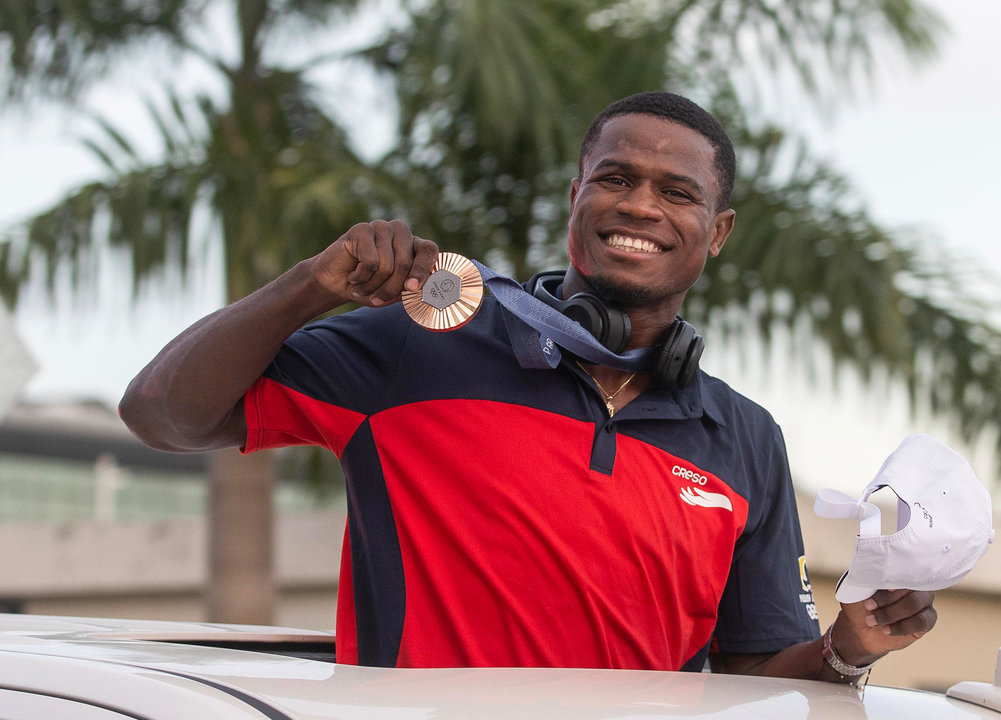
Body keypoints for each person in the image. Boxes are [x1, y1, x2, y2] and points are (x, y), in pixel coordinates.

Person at [119, 91, 936, 679]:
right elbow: (162, 414)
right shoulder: (416, 347)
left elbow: (755, 667)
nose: (641, 205)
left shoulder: (745, 436)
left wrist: (849, 647)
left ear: (716, 233)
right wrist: (308, 286)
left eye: (677, 192)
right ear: (576, 197)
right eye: (616, 179)